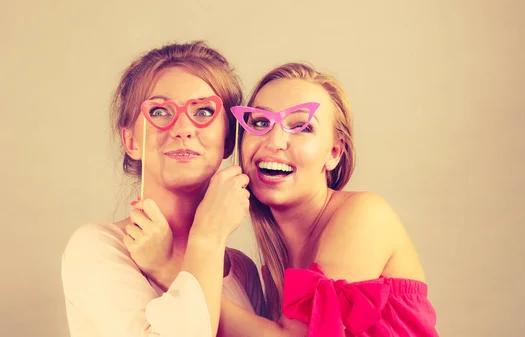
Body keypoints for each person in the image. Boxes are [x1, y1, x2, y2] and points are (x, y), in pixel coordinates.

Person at [60, 41, 265, 337]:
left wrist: (171, 263)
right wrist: (207, 236)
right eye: (159, 111)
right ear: (131, 142)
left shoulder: (242, 271)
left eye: (205, 111)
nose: (182, 127)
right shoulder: (97, 247)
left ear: (228, 140)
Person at [218, 62, 439, 336]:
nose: (274, 142)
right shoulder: (272, 264)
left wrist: (175, 271)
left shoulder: (365, 215)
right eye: (261, 122)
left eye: (302, 127)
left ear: (333, 153)